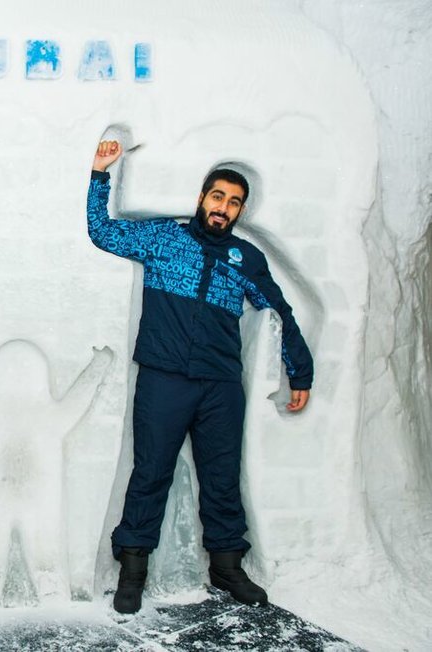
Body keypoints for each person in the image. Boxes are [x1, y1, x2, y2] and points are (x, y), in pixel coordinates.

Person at [86, 140, 313, 614]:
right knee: (150, 473)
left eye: (233, 202)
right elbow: (102, 232)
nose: (223, 208)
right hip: (164, 377)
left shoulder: (245, 258)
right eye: (217, 197)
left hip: (221, 384)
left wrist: (300, 371)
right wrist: (98, 174)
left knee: (221, 476)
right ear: (202, 198)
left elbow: (278, 308)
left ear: (240, 210)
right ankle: (133, 570)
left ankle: (227, 567)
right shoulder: (164, 238)